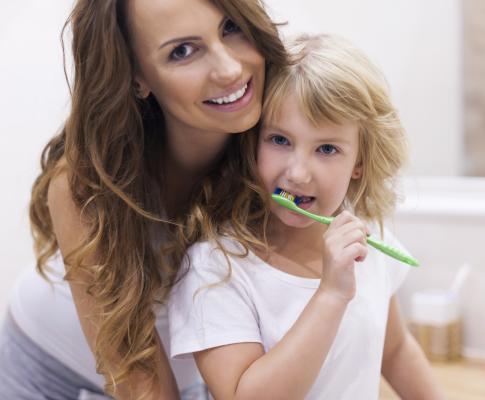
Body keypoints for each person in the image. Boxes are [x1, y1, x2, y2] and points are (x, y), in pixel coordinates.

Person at [0, 0, 288, 399]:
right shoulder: (85, 184)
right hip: (43, 374)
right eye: (183, 51)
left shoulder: (288, 155)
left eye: (231, 28)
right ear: (137, 77)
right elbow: (134, 371)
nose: (229, 69)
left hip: (186, 382)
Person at [168, 34, 445, 399]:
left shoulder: (366, 239)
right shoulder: (215, 268)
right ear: (252, 144)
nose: (298, 173)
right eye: (280, 140)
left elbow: (394, 352)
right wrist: (330, 295)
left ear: (358, 162)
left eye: (327, 148)